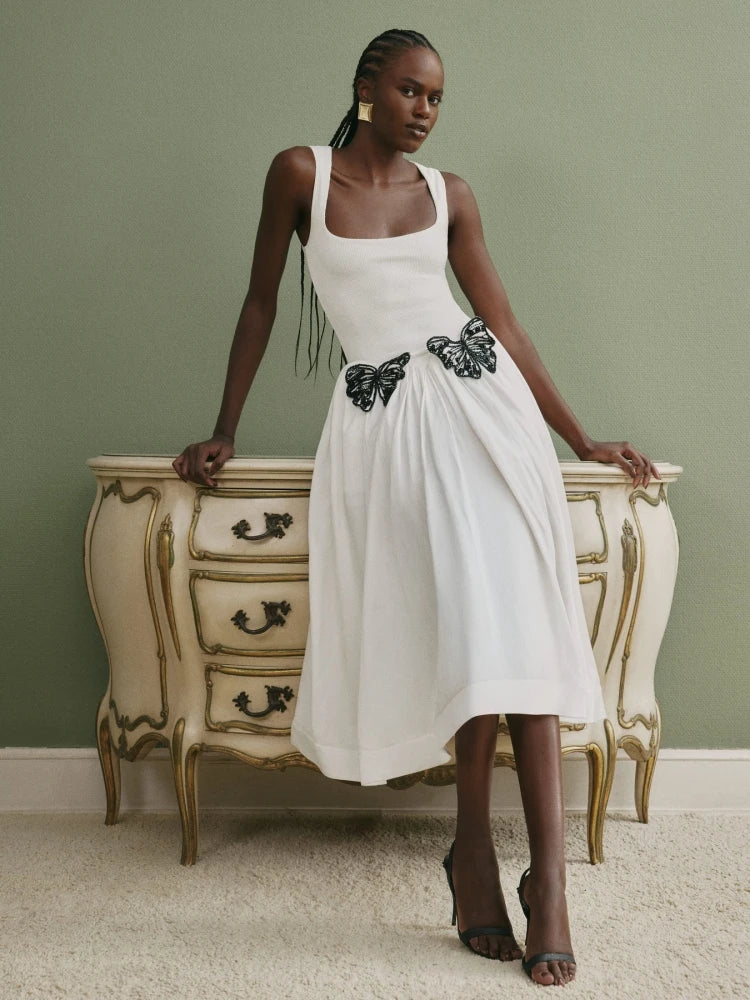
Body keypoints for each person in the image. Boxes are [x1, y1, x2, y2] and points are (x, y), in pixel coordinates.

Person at [173, 28, 660, 988]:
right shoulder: (298, 174)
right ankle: (471, 855)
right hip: (386, 431)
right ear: (365, 89)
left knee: (514, 629)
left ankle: (548, 883)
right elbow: (261, 304)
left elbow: (503, 323)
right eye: (409, 91)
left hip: (486, 418)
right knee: (464, 633)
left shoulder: (452, 195)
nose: (426, 111)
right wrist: (222, 426)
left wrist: (579, 437)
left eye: (437, 97)